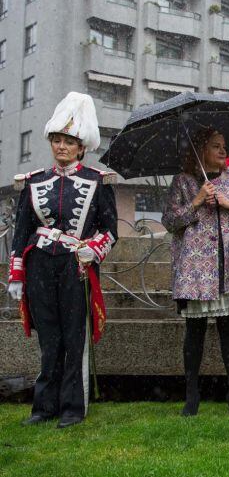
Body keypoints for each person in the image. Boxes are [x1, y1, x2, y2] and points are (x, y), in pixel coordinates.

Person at [8, 92, 118, 428]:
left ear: (81, 146)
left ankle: (73, 407)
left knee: (75, 337)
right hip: (41, 265)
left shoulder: (98, 182)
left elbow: (110, 230)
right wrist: (16, 274)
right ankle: (44, 406)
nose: (61, 147)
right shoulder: (34, 182)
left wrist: (93, 248)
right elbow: (22, 231)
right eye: (56, 140)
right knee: (49, 337)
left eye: (68, 141)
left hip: (76, 268)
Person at [162, 128, 229, 416]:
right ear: (200, 150)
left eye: (224, 146)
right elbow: (169, 221)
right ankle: (191, 398)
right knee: (194, 334)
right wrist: (196, 201)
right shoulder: (183, 182)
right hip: (195, 272)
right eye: (216, 146)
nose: (222, 151)